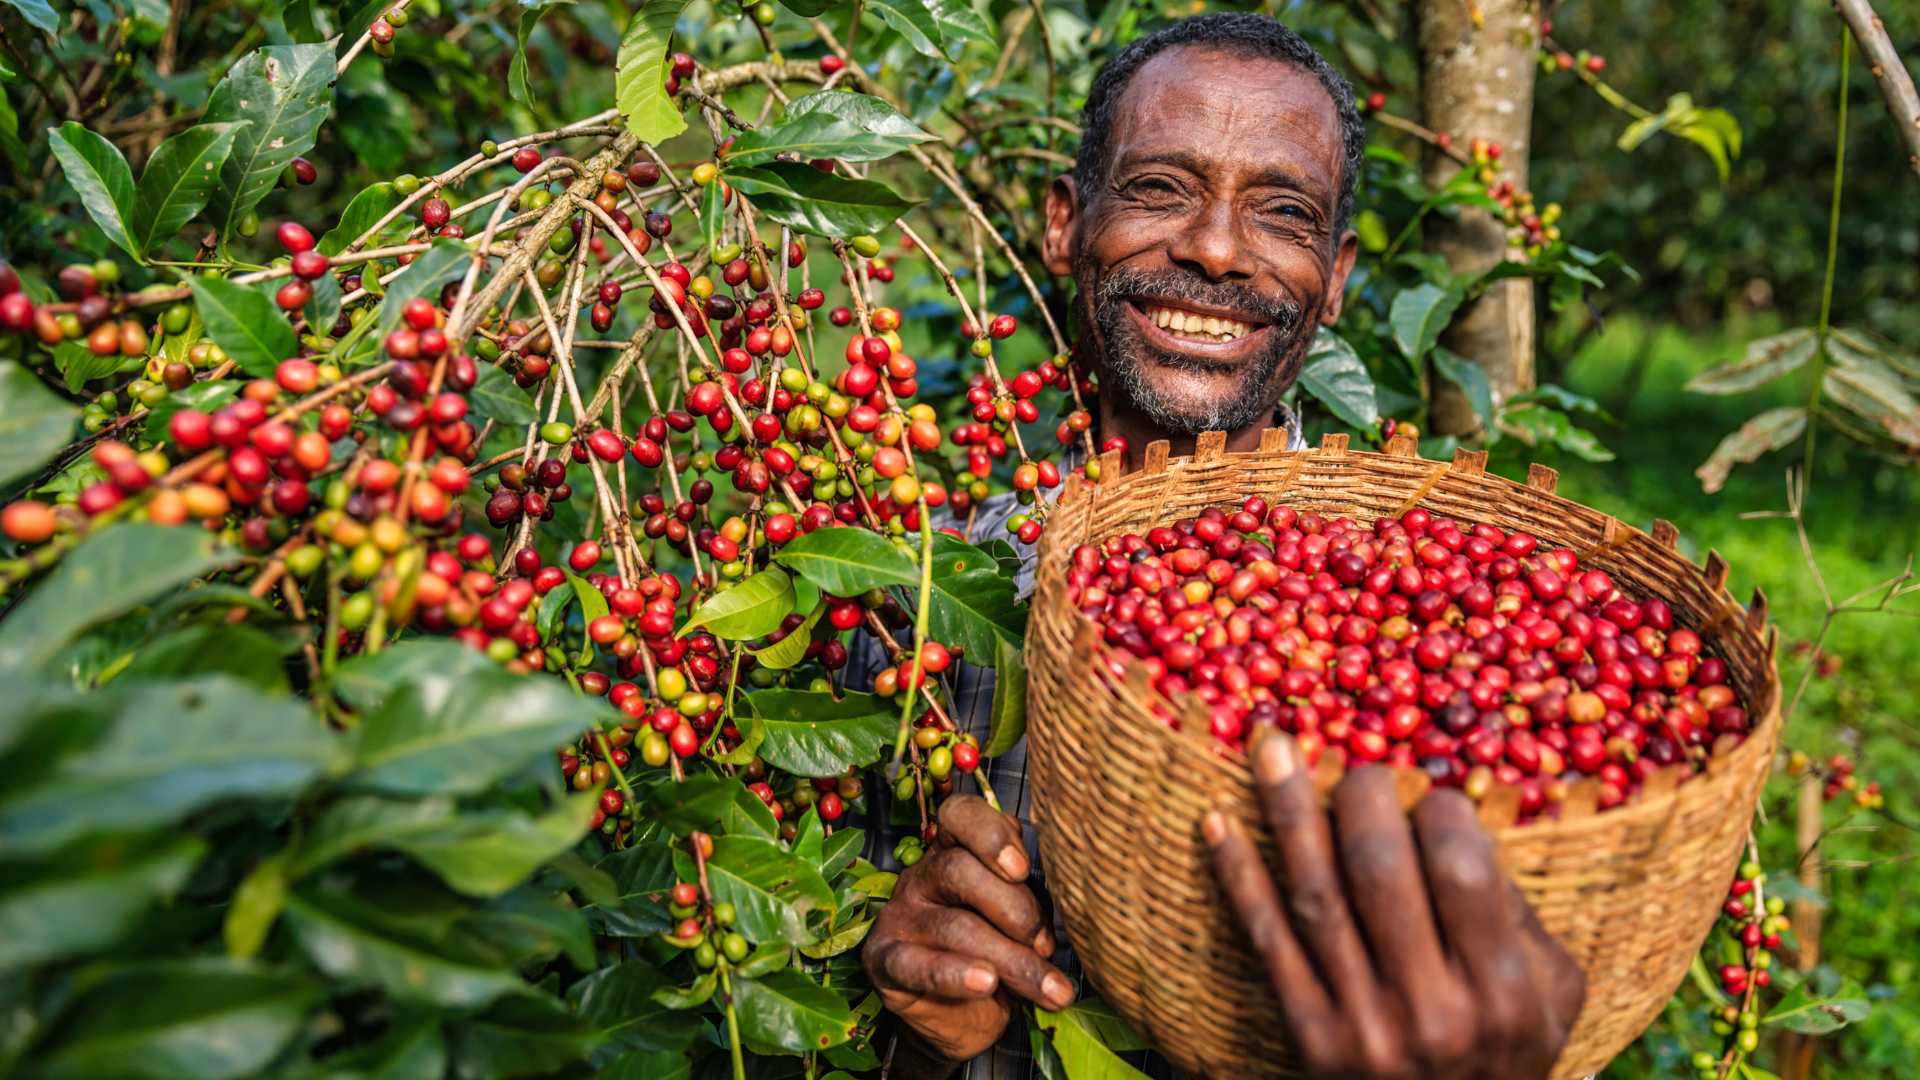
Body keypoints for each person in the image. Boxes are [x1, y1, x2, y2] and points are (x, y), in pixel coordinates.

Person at [858, 12, 1588, 1079]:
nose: (1213, 246)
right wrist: (920, 1030)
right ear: (1066, 225)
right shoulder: (918, 607)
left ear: (1334, 280)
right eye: (1159, 189)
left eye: (1281, 211)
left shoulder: (1439, 617)